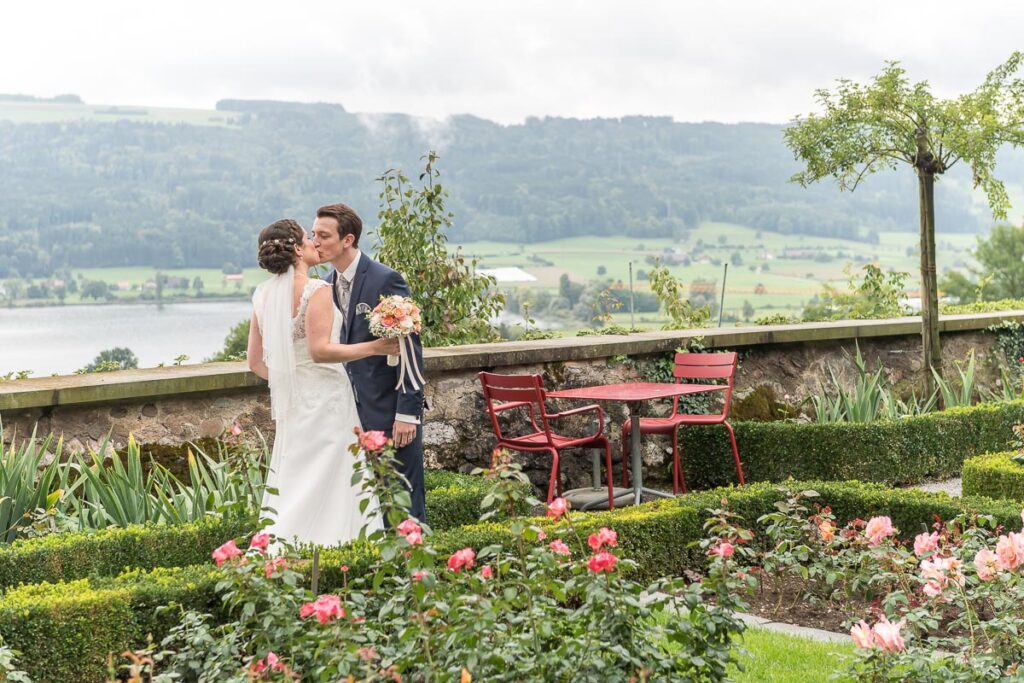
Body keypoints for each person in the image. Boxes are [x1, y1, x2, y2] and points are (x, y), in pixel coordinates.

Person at [245, 218, 396, 546]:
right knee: (336, 472)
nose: (315, 242)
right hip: (327, 396)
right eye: (307, 238)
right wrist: (377, 347)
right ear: (298, 249)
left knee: (296, 475)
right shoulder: (317, 289)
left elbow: (255, 362)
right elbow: (320, 351)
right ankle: (341, 547)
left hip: (294, 398)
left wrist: (290, 377)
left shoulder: (262, 295)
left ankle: (283, 545)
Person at [312, 203, 427, 522]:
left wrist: (408, 413)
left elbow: (411, 350)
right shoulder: (323, 286)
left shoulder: (385, 279)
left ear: (347, 239)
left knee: (403, 498)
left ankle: (413, 568)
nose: (315, 242)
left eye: (323, 235)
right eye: (313, 235)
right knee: (366, 504)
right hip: (348, 413)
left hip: (389, 411)